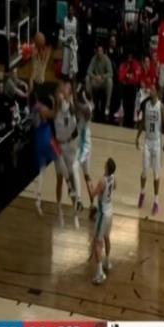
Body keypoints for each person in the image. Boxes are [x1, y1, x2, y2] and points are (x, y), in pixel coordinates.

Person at [54, 81, 82, 229]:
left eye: (66, 89)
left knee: (71, 178)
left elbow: (75, 125)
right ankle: (59, 206)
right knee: (60, 179)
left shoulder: (70, 106)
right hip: (59, 146)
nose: (63, 91)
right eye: (62, 89)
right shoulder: (56, 106)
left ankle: (75, 208)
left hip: (69, 145)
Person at [135, 87, 164, 215]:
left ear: (157, 93)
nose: (150, 91)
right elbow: (143, 122)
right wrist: (137, 136)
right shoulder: (146, 105)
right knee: (144, 171)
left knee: (156, 173)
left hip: (156, 143)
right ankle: (142, 192)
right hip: (147, 141)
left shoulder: (161, 107)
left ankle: (156, 201)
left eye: (153, 90)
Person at [91, 157, 116, 285]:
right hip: (110, 210)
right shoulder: (113, 178)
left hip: (103, 214)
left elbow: (92, 194)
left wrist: (89, 184)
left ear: (107, 167)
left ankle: (100, 273)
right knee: (107, 237)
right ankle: (107, 261)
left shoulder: (102, 181)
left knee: (97, 241)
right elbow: (114, 187)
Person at [32, 92, 56, 216]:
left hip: (38, 139)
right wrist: (55, 103)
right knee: (59, 159)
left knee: (42, 170)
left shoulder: (34, 109)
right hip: (46, 139)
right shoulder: (44, 109)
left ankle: (38, 198)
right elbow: (54, 114)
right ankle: (71, 188)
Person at [75, 83, 95, 219]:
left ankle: (79, 201)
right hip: (82, 144)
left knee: (75, 169)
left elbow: (79, 106)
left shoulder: (88, 108)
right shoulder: (82, 106)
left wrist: (76, 91)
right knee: (86, 175)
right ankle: (92, 205)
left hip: (84, 145)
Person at [86, 45, 114, 117]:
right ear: (96, 52)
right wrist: (95, 77)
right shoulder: (94, 58)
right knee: (87, 78)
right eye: (98, 51)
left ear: (103, 52)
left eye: (101, 51)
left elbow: (111, 73)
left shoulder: (106, 59)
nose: (99, 53)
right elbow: (88, 71)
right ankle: (91, 102)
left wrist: (102, 76)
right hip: (96, 81)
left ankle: (107, 106)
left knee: (110, 81)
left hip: (103, 81)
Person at [59, 5, 79, 80]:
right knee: (65, 68)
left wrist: (75, 41)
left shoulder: (76, 21)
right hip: (66, 47)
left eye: (72, 10)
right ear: (67, 11)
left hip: (73, 47)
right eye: (69, 10)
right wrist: (67, 39)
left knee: (74, 68)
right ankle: (65, 80)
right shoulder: (63, 21)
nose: (70, 12)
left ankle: (73, 82)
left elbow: (77, 35)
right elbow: (60, 37)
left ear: (74, 11)